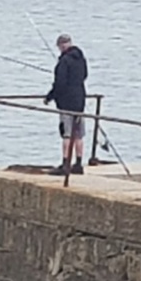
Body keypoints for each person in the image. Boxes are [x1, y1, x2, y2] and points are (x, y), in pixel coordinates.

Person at [44, 33, 88, 176]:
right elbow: (85, 76)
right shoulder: (81, 58)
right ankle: (79, 164)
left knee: (67, 134)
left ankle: (65, 164)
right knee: (79, 134)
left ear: (60, 46)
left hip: (66, 103)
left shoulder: (64, 62)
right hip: (80, 100)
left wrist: (49, 97)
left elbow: (60, 84)